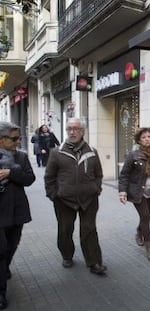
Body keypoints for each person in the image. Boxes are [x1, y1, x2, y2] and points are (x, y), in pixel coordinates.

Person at [44, 118, 107, 275]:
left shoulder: (92, 152)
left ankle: (94, 262)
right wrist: (54, 195)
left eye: (75, 129)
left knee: (89, 230)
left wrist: (96, 188)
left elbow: (98, 174)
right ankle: (67, 255)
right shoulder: (57, 152)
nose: (72, 132)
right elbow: (49, 177)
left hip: (89, 199)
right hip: (64, 200)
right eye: (69, 129)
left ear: (82, 131)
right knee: (65, 230)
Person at [0, 121, 36, 309]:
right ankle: (1, 292)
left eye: (18, 138)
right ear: (1, 140)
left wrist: (11, 171)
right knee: (1, 250)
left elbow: (29, 178)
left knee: (12, 245)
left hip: (17, 212)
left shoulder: (21, 157)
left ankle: (5, 268)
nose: (17, 142)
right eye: (14, 139)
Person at [118, 127, 150, 262]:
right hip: (138, 192)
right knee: (145, 216)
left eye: (149, 137)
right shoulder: (133, 155)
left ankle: (139, 231)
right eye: (144, 137)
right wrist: (122, 191)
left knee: (146, 216)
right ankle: (149, 245)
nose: (147, 139)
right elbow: (124, 175)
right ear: (139, 140)